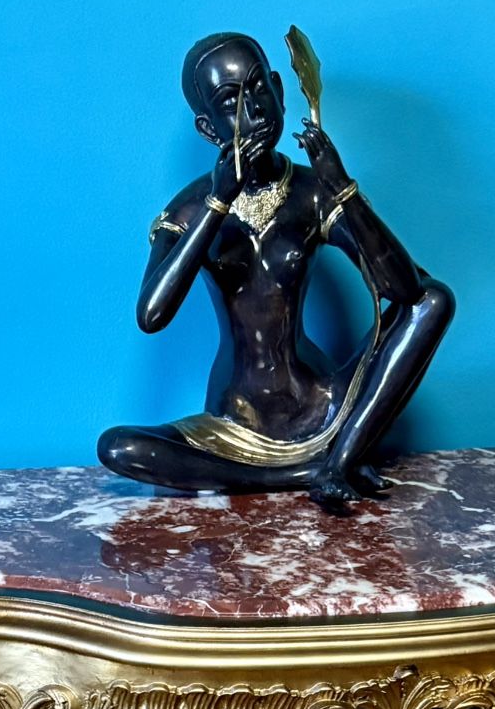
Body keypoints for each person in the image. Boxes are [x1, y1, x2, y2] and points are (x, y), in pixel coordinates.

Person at [97, 32, 454, 509]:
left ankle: (339, 456)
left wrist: (341, 187)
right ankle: (309, 472)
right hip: (234, 425)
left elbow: (405, 290)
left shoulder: (310, 193)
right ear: (208, 129)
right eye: (232, 100)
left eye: (260, 86)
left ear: (282, 91)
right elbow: (152, 314)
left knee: (435, 299)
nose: (255, 109)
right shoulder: (189, 210)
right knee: (119, 447)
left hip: (324, 406)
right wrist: (218, 201)